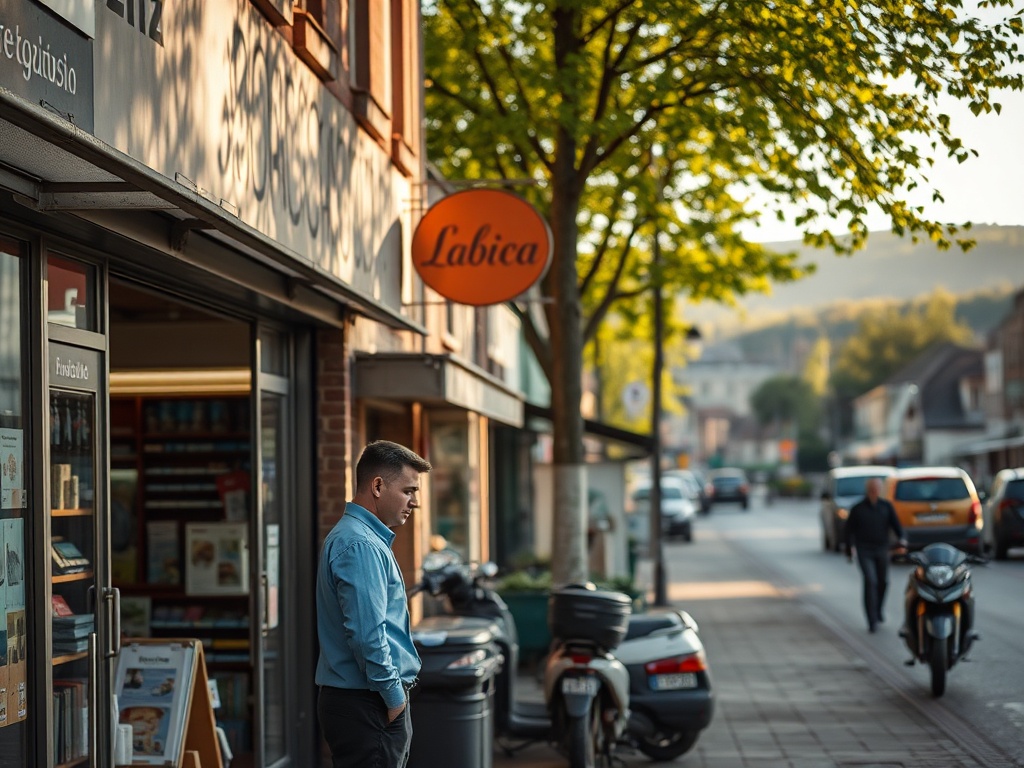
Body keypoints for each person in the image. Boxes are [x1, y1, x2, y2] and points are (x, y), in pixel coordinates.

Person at [315, 440, 432, 768]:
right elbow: (368, 636)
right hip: (368, 702)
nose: (414, 502)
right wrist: (394, 699)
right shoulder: (360, 544)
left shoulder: (361, 539)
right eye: (408, 491)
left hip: (364, 701)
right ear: (378, 486)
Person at [845, 476, 907, 633]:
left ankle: (878, 609)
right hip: (864, 550)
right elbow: (848, 531)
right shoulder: (857, 508)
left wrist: (902, 539)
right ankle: (871, 619)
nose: (874, 491)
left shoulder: (886, 506)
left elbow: (897, 526)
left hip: (882, 549)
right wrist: (849, 549)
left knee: (883, 582)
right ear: (867, 490)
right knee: (870, 581)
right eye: (872, 488)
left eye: (877, 488)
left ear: (880, 490)